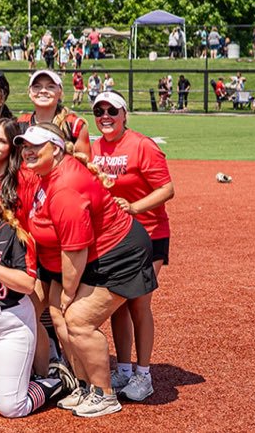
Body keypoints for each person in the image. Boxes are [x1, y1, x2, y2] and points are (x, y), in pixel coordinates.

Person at [18, 122, 155, 418]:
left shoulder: (65, 187)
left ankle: (104, 394)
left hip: (119, 255)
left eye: (36, 146)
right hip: (96, 253)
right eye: (25, 146)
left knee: (78, 320)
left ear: (56, 150)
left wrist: (68, 294)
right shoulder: (46, 174)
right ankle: (84, 385)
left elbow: (75, 250)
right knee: (58, 316)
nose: (28, 151)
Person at [0, 176, 75, 417]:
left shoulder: (15, 234)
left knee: (12, 408)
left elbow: (26, 284)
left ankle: (55, 381)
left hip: (11, 323)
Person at [89, 92, 173, 402]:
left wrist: (135, 207)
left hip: (148, 234)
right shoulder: (94, 148)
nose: (105, 116)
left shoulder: (141, 145)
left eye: (112, 110)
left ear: (125, 114)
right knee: (119, 303)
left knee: (139, 302)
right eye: (99, 110)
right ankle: (123, 369)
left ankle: (143, 374)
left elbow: (167, 188)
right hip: (113, 237)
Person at [17, 70, 92, 158]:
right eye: (37, 86)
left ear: (60, 92)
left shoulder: (74, 125)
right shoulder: (20, 123)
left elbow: (84, 163)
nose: (43, 90)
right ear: (29, 93)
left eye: (50, 87)